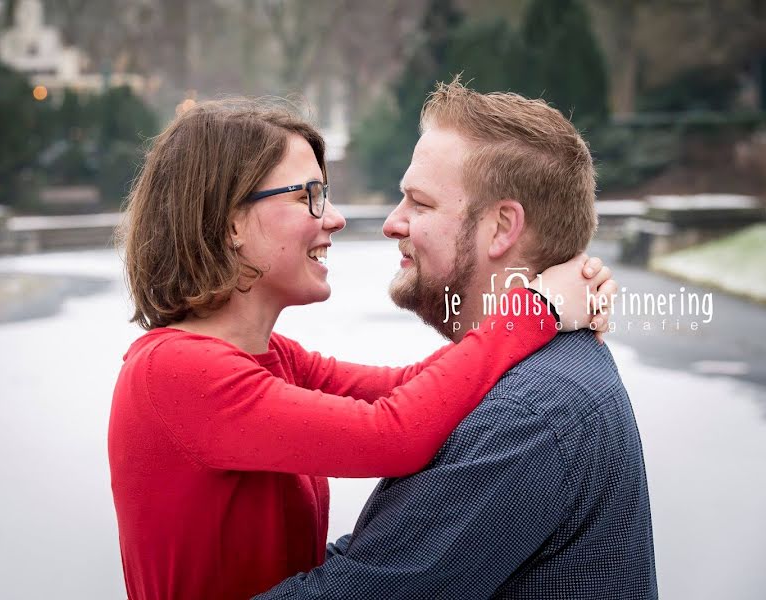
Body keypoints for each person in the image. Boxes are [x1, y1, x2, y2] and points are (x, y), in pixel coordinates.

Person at [108, 97, 615, 600]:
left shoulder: (275, 359)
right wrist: (537, 310)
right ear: (230, 222)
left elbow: (412, 387)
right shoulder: (175, 371)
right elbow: (392, 434)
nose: (334, 219)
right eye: (308, 196)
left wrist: (550, 303)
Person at [259, 80, 657, 599]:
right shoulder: (533, 375)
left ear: (502, 227)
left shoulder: (528, 413)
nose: (391, 223)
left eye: (418, 203)